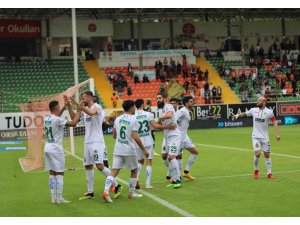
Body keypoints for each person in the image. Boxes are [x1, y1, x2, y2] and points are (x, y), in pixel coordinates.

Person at [68, 91, 121, 200]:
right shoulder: (84, 109)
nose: (82, 100)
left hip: (97, 141)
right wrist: (69, 105)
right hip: (87, 142)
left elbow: (92, 113)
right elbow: (74, 118)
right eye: (81, 98)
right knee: (88, 165)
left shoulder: (97, 107)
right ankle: (90, 192)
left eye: (84, 98)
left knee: (100, 166)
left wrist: (80, 106)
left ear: (90, 97)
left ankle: (117, 185)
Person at [102, 100, 148, 203]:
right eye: (134, 107)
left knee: (113, 172)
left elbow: (114, 136)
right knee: (134, 171)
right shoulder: (134, 119)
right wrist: (144, 149)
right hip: (129, 149)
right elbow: (136, 137)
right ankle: (131, 194)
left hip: (118, 148)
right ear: (131, 108)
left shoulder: (118, 119)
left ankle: (106, 192)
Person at [44, 96, 81, 204]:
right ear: (56, 108)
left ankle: (53, 198)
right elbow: (73, 123)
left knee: (52, 173)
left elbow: (57, 115)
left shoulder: (47, 118)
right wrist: (79, 110)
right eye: (59, 106)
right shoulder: (57, 119)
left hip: (47, 147)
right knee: (60, 173)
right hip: (56, 148)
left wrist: (65, 106)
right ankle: (59, 198)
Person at [232, 97, 280, 179]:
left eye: (260, 100)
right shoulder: (253, 110)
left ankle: (269, 173)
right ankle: (256, 171)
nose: (258, 101)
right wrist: (237, 115)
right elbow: (245, 113)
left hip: (265, 137)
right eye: (258, 100)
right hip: (255, 137)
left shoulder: (269, 112)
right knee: (257, 153)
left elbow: (274, 122)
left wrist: (277, 134)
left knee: (267, 155)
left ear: (264, 103)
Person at [134, 99, 176, 189]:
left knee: (140, 161)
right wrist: (168, 127)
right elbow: (155, 126)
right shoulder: (148, 114)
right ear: (142, 104)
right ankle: (148, 184)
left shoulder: (133, 116)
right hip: (148, 141)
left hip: (138, 142)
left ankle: (135, 179)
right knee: (148, 162)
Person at [157, 94, 182, 188]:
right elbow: (158, 125)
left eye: (160, 98)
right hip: (167, 137)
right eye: (157, 98)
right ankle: (174, 178)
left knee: (172, 156)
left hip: (174, 135)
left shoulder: (168, 106)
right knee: (167, 157)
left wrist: (161, 118)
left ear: (164, 99)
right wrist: (159, 121)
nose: (158, 100)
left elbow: (169, 115)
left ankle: (177, 180)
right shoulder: (162, 110)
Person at [176, 96, 199, 180]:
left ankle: (186, 172)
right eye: (191, 101)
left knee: (195, 152)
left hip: (185, 137)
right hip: (179, 137)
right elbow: (174, 120)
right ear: (186, 103)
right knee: (178, 156)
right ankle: (177, 176)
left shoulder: (187, 111)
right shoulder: (182, 111)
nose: (193, 102)